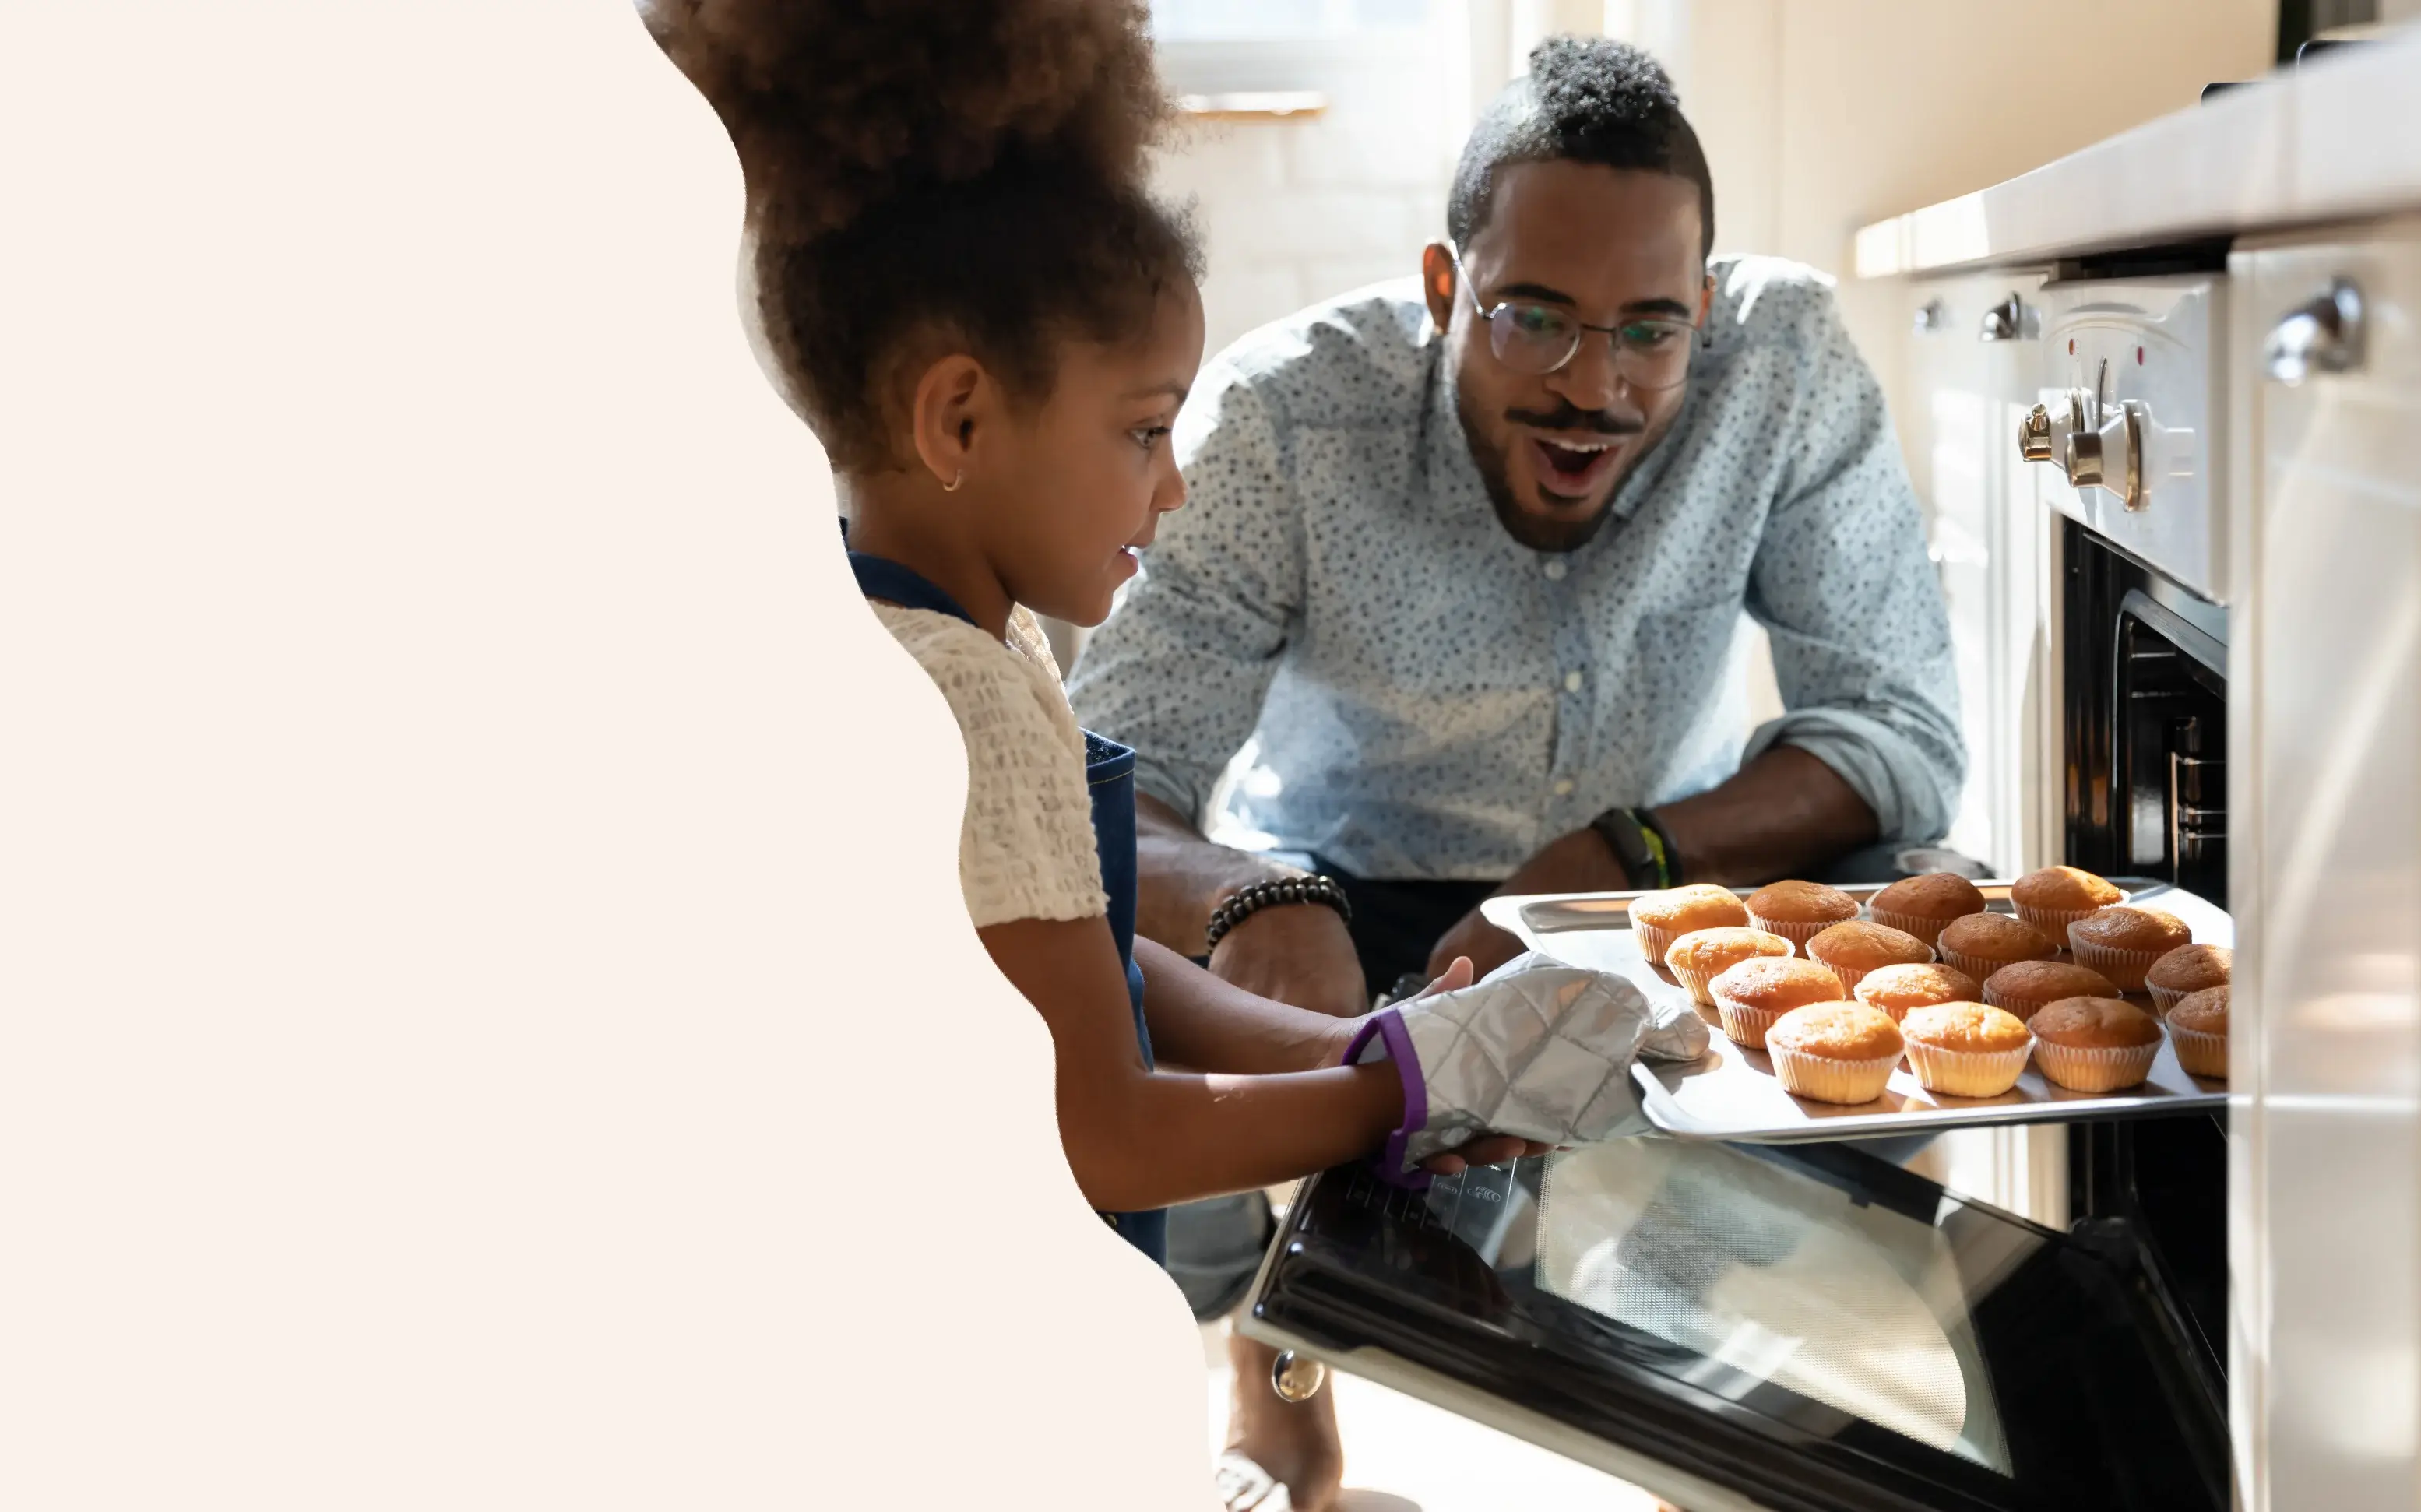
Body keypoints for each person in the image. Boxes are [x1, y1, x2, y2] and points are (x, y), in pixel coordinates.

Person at [647, 9, 1687, 1507]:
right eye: (1145, 428)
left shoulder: (946, 631)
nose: (1178, 478)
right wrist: (1403, 1092)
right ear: (958, 415)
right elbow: (1105, 1126)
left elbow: (1094, 964)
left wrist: (1365, 1051)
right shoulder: (972, 700)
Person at [1065, 37, 1965, 1511]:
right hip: (1339, 900)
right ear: (1444, 291)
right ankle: (1279, 1374)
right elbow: (1106, 779)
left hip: (1649, 888)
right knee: (1094, 974)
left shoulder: (1783, 366)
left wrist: (1620, 855)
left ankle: (1732, 1365)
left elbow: (1897, 732)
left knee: (1914, 897)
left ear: (1710, 312)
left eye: (1649, 332)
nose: (1591, 387)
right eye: (1533, 317)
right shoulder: (1279, 423)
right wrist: (1251, 895)